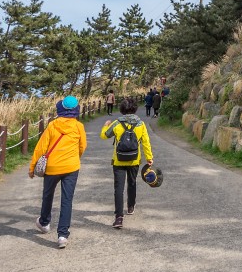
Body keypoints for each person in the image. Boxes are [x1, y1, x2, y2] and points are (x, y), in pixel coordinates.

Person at [29, 95, 87, 248]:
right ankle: (62, 235)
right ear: (75, 110)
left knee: (47, 195)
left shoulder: (53, 125)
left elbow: (41, 148)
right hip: (71, 167)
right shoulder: (78, 126)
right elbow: (82, 146)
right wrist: (75, 157)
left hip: (52, 168)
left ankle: (44, 222)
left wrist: (32, 167)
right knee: (67, 200)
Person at [100, 98, 153, 229]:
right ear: (135, 108)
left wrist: (106, 125)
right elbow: (146, 142)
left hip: (119, 160)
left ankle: (118, 217)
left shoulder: (117, 123)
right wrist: (149, 157)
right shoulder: (141, 124)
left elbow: (104, 135)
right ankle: (130, 206)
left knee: (118, 188)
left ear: (122, 109)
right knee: (132, 182)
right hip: (134, 159)